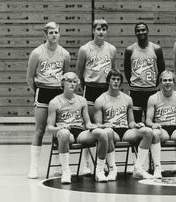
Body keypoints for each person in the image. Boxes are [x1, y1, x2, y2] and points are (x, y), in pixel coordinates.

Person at [26, 22, 70, 179]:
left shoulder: (65, 54)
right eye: (51, 32)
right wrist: (37, 91)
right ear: (45, 35)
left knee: (58, 128)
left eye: (56, 32)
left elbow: (66, 77)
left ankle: (58, 163)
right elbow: (30, 78)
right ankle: (34, 167)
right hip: (43, 91)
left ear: (59, 34)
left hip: (58, 92)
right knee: (39, 130)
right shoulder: (37, 53)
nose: (54, 35)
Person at [46, 72, 109, 183]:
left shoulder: (82, 100)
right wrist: (59, 129)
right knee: (64, 133)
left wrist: (96, 126)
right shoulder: (54, 102)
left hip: (80, 132)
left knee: (102, 134)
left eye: (74, 82)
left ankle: (100, 171)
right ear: (63, 83)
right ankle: (66, 171)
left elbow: (87, 123)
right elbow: (49, 128)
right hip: (65, 133)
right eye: (69, 81)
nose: (72, 84)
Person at [76, 18, 117, 175]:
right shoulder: (85, 49)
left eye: (104, 29)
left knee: (105, 126)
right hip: (90, 89)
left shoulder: (111, 49)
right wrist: (84, 86)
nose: (101, 32)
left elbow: (113, 71)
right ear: (93, 30)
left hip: (105, 90)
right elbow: (79, 71)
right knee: (91, 127)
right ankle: (86, 163)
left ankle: (105, 162)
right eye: (98, 29)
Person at [145, 70, 176, 178]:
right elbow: (148, 120)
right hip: (161, 129)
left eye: (170, 80)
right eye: (165, 80)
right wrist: (152, 124)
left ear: (174, 82)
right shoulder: (153, 98)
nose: (167, 83)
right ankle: (157, 167)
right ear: (160, 82)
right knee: (154, 133)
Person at [124, 22, 165, 123]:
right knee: (136, 122)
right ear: (135, 33)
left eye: (143, 30)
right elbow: (127, 70)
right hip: (135, 91)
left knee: (152, 122)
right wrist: (132, 83)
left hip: (151, 90)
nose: (141, 32)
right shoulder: (129, 49)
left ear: (148, 31)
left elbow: (162, 69)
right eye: (138, 30)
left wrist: (156, 84)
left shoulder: (156, 49)